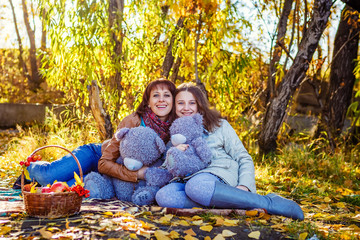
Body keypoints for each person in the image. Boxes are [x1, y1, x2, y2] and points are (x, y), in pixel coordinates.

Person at [155, 83, 304, 221]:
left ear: (200, 105)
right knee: (164, 196)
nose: (186, 108)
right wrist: (173, 154)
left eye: (192, 102)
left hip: (217, 176)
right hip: (186, 182)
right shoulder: (173, 136)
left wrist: (245, 186)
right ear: (174, 107)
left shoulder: (219, 126)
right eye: (180, 103)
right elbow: (166, 169)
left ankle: (268, 202)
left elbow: (243, 157)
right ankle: (228, 203)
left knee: (196, 186)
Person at [14, 78, 176, 188]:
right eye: (156, 95)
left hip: (109, 177)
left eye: (166, 95)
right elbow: (104, 163)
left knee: (62, 188)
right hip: (96, 156)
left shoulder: (175, 130)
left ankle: (35, 183)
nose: (161, 99)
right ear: (148, 101)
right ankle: (30, 169)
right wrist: (136, 175)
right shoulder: (133, 120)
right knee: (49, 176)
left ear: (173, 100)